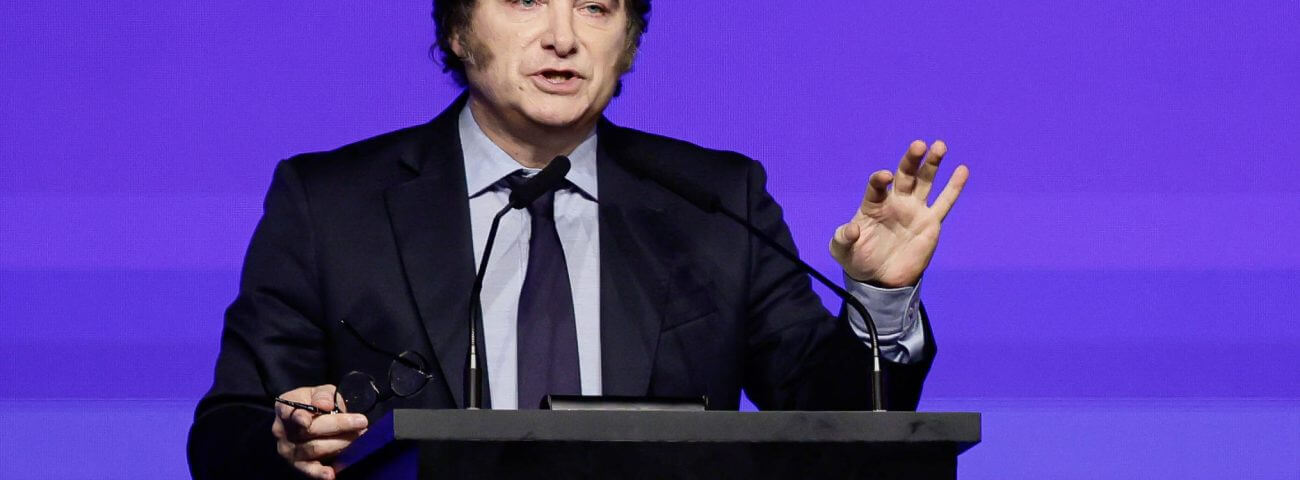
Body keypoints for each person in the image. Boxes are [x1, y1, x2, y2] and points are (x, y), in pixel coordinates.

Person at [187, 0, 970, 478]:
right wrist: (286, 444)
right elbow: (226, 435)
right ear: (457, 28)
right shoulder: (332, 203)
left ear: (626, 40)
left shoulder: (714, 200)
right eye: (525, 0)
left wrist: (881, 295)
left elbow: (834, 425)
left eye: (595, 7)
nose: (562, 37)